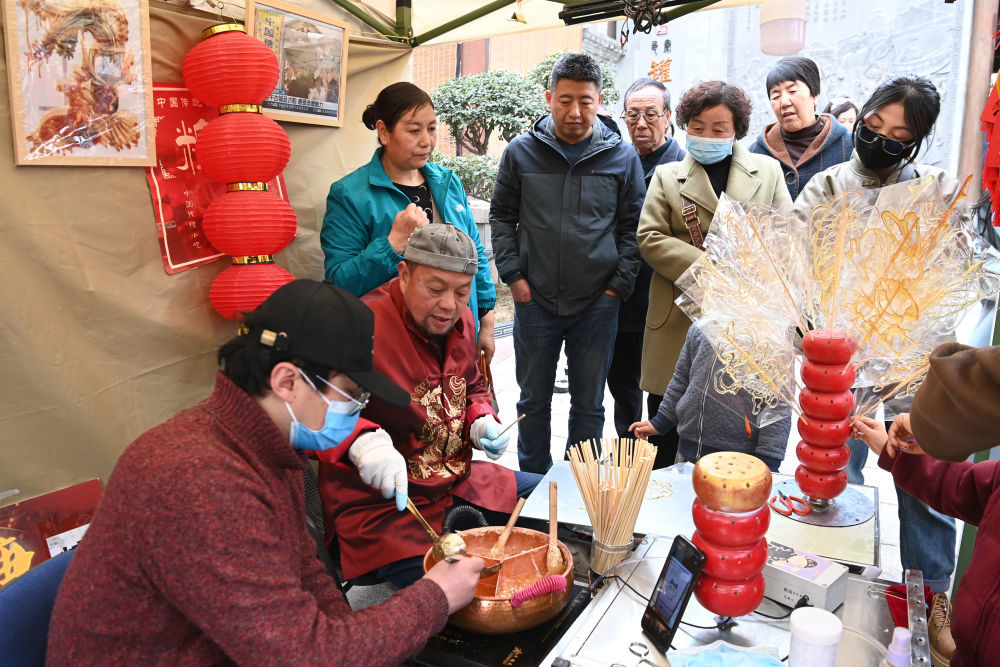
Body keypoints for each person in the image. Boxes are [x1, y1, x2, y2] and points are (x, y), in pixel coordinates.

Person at [47, 280, 485, 664]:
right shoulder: (200, 480)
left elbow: (309, 575)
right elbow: (300, 655)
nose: (357, 411)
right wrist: (436, 598)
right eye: (350, 395)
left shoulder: (265, 445)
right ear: (287, 382)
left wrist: (362, 645)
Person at [797, 75, 961, 599]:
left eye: (898, 134)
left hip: (914, 356)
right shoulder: (826, 186)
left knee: (922, 472)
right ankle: (835, 579)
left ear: (916, 141)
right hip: (841, 357)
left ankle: (928, 595)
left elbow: (951, 270)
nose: (881, 139)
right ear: (861, 117)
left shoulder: (934, 188)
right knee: (835, 466)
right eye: (873, 125)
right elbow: (797, 263)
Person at [318, 225, 540, 588]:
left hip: (459, 481)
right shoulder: (360, 326)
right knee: (452, 597)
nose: (449, 305)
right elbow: (315, 410)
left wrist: (480, 420)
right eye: (435, 289)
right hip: (387, 509)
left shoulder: (463, 318)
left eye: (462, 292)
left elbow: (472, 386)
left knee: (556, 502)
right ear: (404, 275)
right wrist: (361, 442)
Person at [491, 53, 645, 474]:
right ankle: (533, 489)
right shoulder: (521, 153)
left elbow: (633, 228)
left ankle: (579, 494)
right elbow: (502, 216)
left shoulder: (622, 157)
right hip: (534, 298)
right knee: (532, 402)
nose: (574, 112)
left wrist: (617, 287)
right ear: (548, 98)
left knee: (589, 406)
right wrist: (514, 278)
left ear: (599, 102)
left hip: (598, 302)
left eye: (584, 101)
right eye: (564, 100)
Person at [638, 80, 791, 467]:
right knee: (664, 424)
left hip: (747, 320)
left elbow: (785, 236)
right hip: (678, 315)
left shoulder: (768, 171)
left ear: (736, 130)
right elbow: (649, 236)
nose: (707, 135)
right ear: (685, 125)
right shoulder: (668, 174)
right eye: (698, 126)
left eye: (719, 129)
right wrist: (712, 269)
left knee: (730, 420)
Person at [321, 82, 498, 364]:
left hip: (456, 339)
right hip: (390, 350)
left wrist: (485, 322)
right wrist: (392, 244)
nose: (426, 141)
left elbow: (474, 255)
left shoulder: (448, 182)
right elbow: (339, 283)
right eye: (414, 130)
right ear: (383, 131)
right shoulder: (350, 194)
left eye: (431, 128)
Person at [850, 342, 1000, 667]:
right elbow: (967, 487)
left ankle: (931, 604)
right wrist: (897, 455)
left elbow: (959, 393)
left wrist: (926, 418)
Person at [609, 77, 686, 465]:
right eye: (632, 114)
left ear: (668, 116)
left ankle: (659, 470)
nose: (640, 123)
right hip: (620, 300)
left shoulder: (684, 168)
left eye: (650, 114)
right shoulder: (616, 161)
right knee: (622, 391)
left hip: (664, 303)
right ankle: (627, 464)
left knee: (663, 394)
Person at [629, 324, 790, 472]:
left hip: (738, 462)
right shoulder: (701, 327)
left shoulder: (772, 345)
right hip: (688, 449)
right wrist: (661, 421)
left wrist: (769, 460)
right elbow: (681, 379)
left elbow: (778, 407)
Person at [749, 56, 853, 199]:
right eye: (776, 96)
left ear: (815, 95)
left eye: (792, 91)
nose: (784, 102)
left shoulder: (848, 147)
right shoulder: (755, 154)